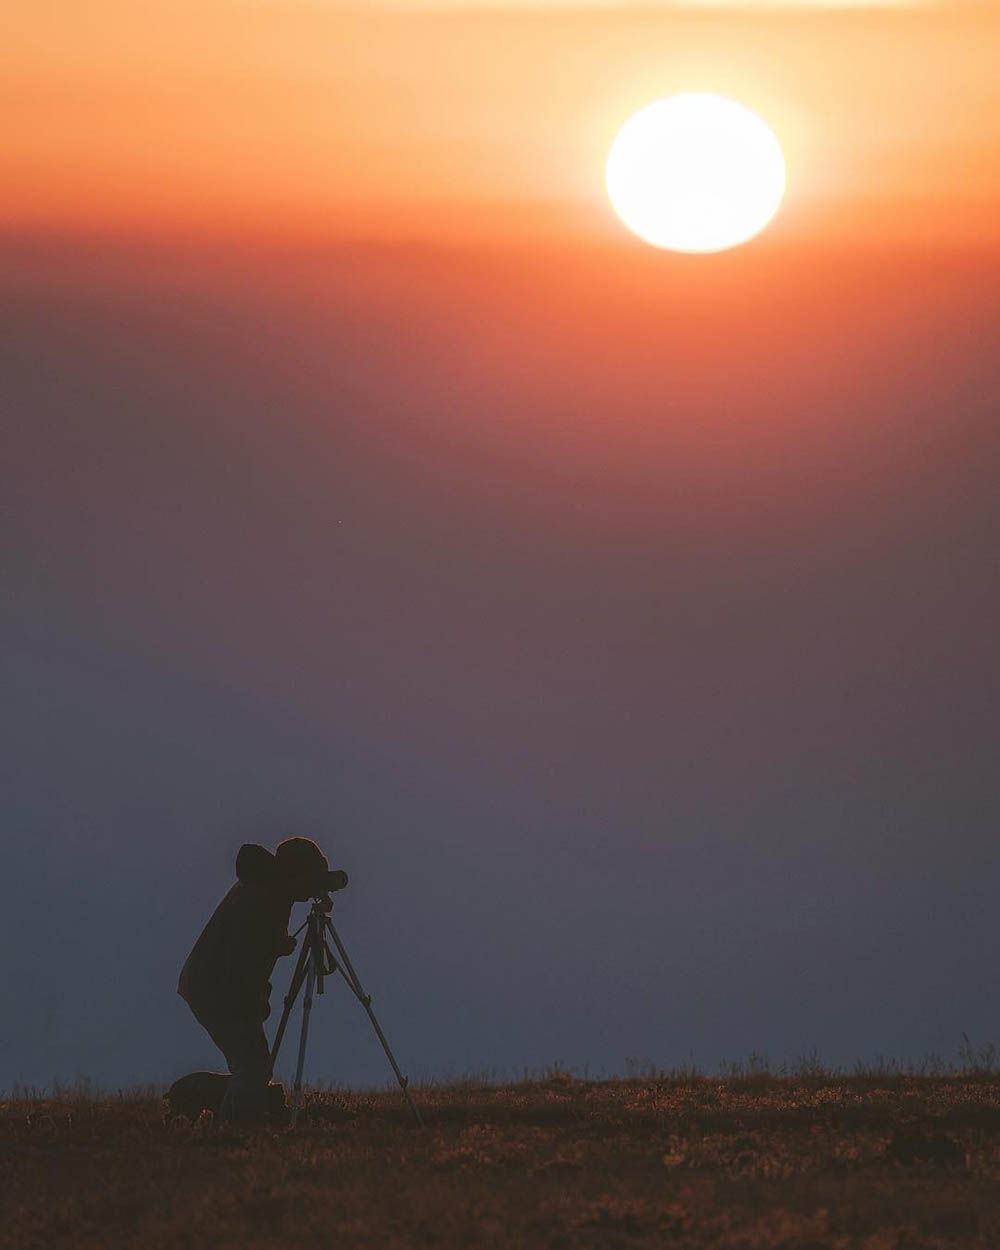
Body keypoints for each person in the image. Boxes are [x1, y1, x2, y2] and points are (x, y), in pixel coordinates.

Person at [178, 836, 332, 1124]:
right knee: (252, 1065)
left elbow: (254, 945)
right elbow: (243, 957)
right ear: (293, 875)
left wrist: (277, 944)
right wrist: (254, 1005)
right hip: (215, 989)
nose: (312, 889)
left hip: (211, 985)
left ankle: (229, 1099)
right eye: (310, 880)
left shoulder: (271, 890)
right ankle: (233, 1127)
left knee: (253, 1064)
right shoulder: (263, 897)